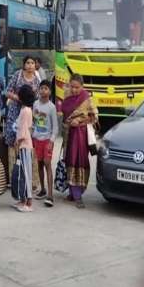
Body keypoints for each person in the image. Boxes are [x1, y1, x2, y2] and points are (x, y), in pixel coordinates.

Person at [60, 74, 97, 209]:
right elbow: (64, 117)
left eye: (77, 87)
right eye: (72, 87)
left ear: (82, 86)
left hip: (81, 136)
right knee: (70, 161)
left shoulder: (87, 99)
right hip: (69, 135)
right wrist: (69, 122)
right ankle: (72, 192)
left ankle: (78, 194)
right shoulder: (67, 97)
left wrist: (80, 121)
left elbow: (94, 117)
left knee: (80, 161)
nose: (74, 90)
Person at [4, 56, 40, 183]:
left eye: (32, 63)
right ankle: (15, 178)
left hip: (29, 112)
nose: (30, 65)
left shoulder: (37, 78)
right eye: (28, 63)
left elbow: (39, 97)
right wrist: (17, 98)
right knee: (13, 141)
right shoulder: (17, 75)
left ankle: (30, 179)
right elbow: (7, 92)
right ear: (24, 64)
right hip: (15, 112)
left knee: (27, 142)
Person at [32, 80, 58, 207]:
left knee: (47, 164)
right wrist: (32, 135)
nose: (43, 90)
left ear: (50, 91)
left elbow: (55, 128)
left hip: (47, 140)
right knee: (39, 164)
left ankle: (50, 195)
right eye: (41, 88)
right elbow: (34, 121)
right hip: (37, 139)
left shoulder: (51, 107)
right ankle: (42, 189)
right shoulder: (35, 104)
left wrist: (51, 141)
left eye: (46, 88)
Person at [13, 84, 35, 213]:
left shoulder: (25, 111)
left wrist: (18, 140)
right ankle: (23, 200)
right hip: (24, 145)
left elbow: (24, 130)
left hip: (25, 145)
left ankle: (28, 202)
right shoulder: (26, 110)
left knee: (26, 174)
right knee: (22, 173)